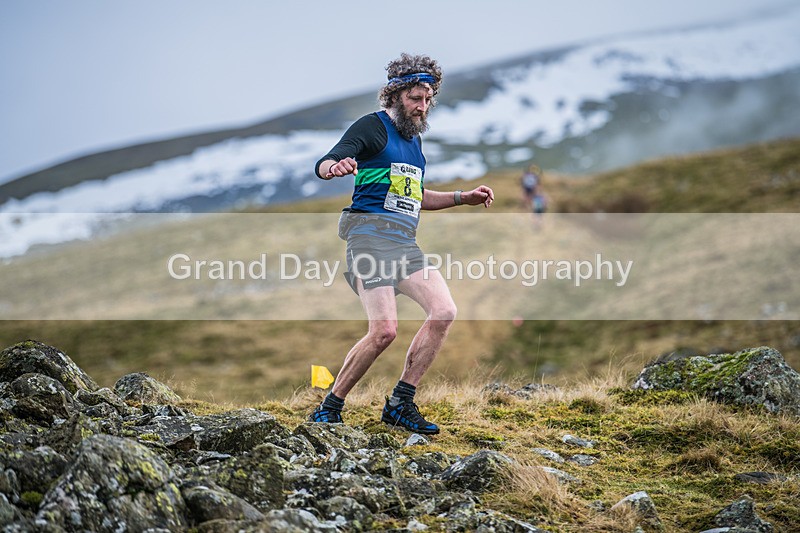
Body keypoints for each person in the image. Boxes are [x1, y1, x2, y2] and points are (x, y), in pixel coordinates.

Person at [309, 53, 494, 434]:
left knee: (443, 312)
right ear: (394, 95)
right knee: (384, 332)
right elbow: (326, 162)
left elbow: (417, 196)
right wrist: (335, 168)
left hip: (405, 246)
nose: (422, 107)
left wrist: (463, 197)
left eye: (427, 100)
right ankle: (330, 407)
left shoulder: (414, 144)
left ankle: (400, 403)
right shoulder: (372, 128)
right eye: (415, 98)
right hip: (369, 241)